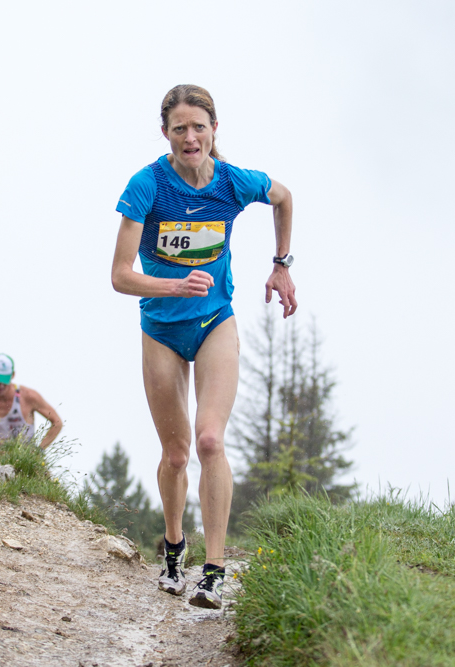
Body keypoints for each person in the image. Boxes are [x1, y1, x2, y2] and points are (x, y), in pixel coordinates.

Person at [110, 84, 298, 609]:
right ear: (165, 133)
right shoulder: (147, 186)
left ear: (215, 129)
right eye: (180, 129)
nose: (190, 137)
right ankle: (174, 548)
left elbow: (284, 197)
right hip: (161, 331)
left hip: (215, 322)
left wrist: (281, 264)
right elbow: (120, 276)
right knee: (176, 455)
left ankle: (214, 572)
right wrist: (174, 286)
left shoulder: (233, 183)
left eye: (199, 127)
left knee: (210, 440)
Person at [0, 353, 63, 452]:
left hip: (22, 458)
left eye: (4, 381)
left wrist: (40, 450)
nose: (0, 385)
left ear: (13, 375)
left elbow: (57, 422)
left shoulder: (28, 397)